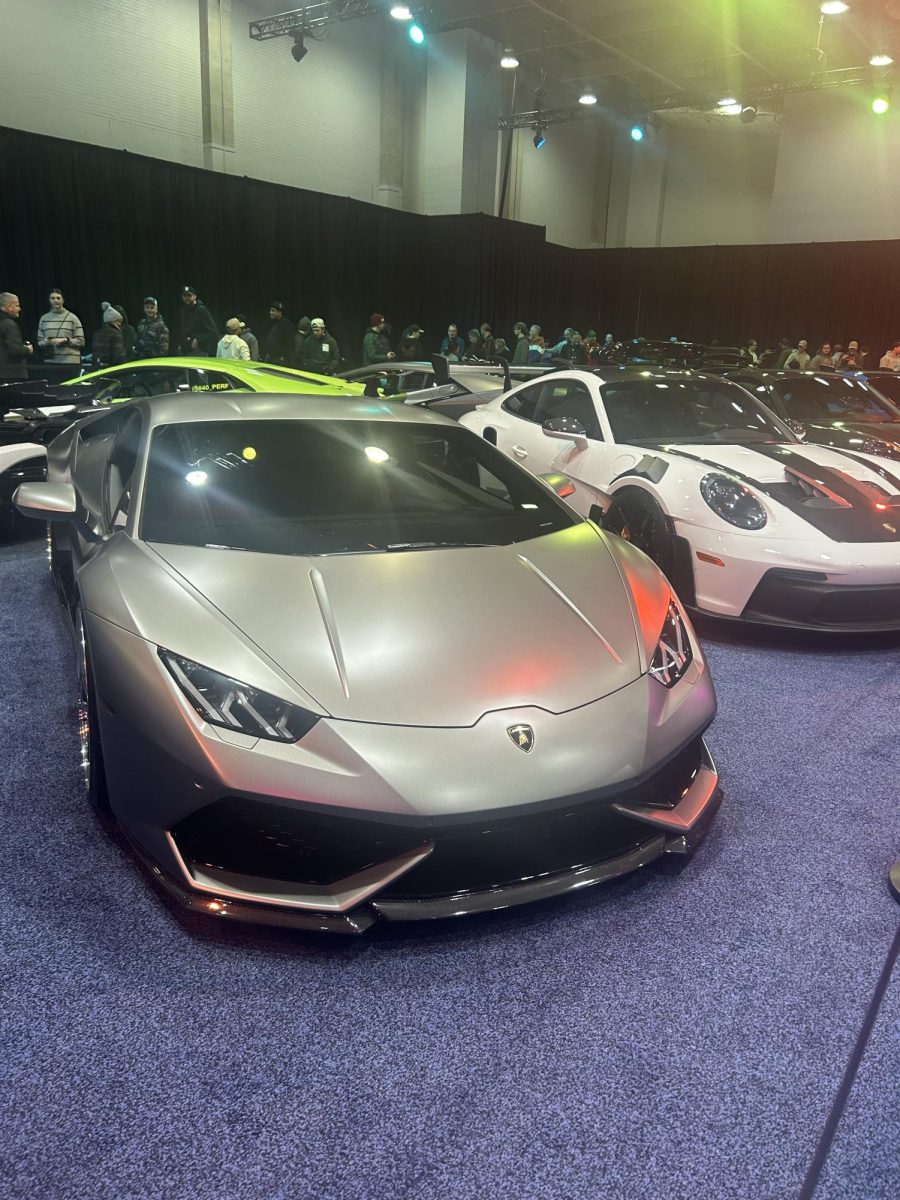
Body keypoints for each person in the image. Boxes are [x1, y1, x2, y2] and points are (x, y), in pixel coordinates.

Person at [36, 288, 84, 366]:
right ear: (49, 300)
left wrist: (65, 340)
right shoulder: (44, 319)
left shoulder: (72, 318)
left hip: (70, 361)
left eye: (58, 298)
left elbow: (81, 341)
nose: (56, 300)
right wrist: (47, 341)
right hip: (50, 361)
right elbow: (40, 341)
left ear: (63, 300)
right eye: (53, 298)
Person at [0, 292, 33, 379]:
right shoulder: (9, 324)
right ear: (9, 306)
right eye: (17, 306)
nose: (20, 309)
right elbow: (14, 350)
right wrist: (27, 349)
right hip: (11, 374)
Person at [178, 285, 218, 356]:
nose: (187, 298)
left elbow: (213, 332)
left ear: (195, 296)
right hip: (184, 350)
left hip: (199, 351)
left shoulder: (201, 310)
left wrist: (198, 340)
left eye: (189, 296)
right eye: (185, 296)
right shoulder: (183, 310)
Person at [92, 301, 126, 368]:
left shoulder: (97, 334)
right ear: (112, 321)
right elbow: (119, 356)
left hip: (99, 369)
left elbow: (94, 355)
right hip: (113, 370)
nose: (120, 324)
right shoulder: (116, 334)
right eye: (118, 321)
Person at [264, 301, 295, 366]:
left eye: (273, 311)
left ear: (280, 312)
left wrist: (283, 356)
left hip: (279, 360)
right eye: (270, 310)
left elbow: (290, 344)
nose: (270, 312)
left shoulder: (287, 325)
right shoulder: (270, 323)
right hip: (270, 357)